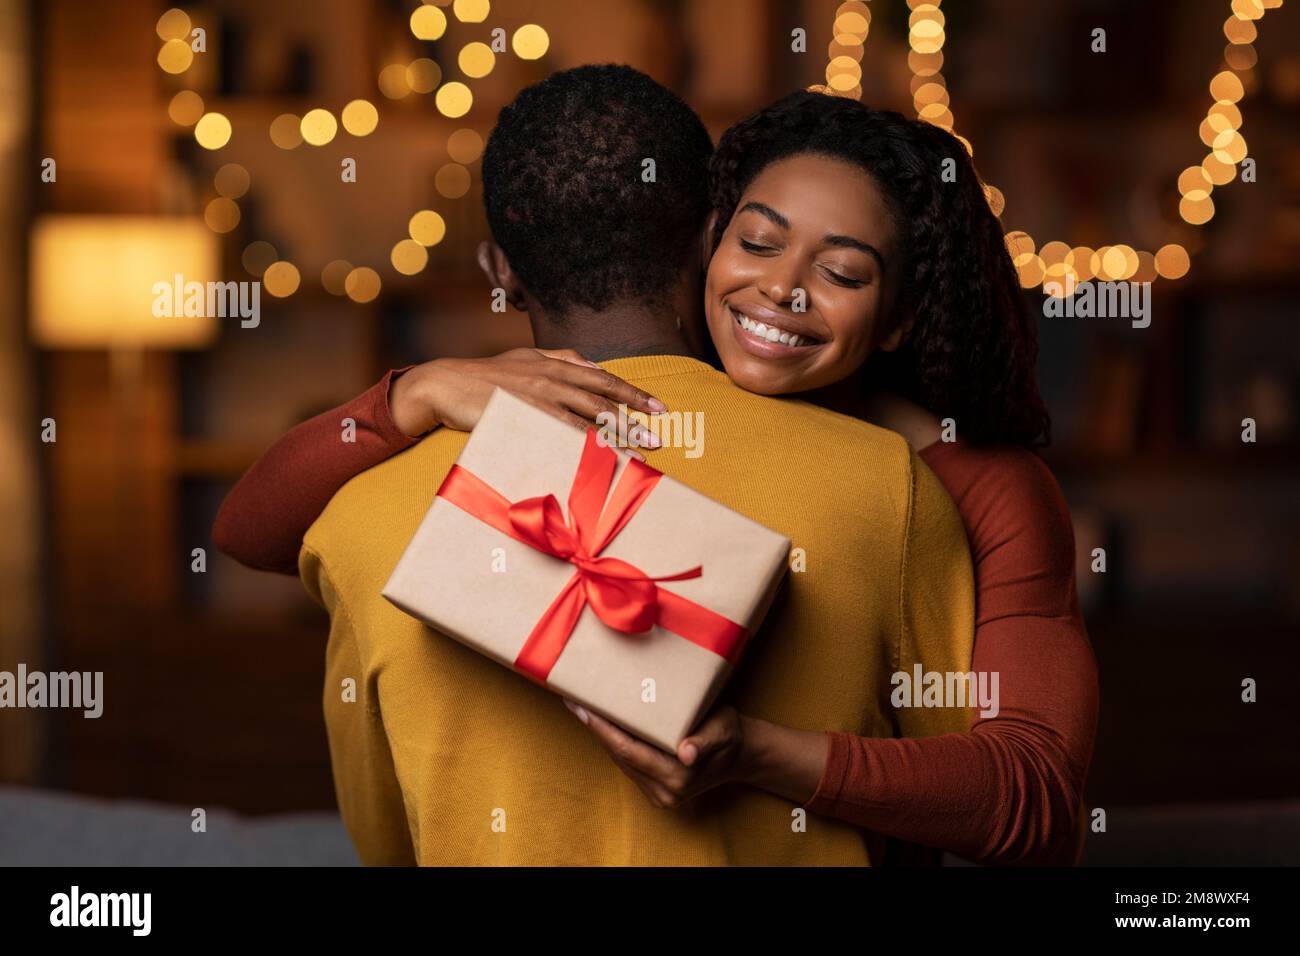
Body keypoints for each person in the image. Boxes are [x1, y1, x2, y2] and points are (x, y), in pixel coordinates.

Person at [216, 74, 1095, 865]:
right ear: (708, 243)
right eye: (759, 243)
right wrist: (416, 390)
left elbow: (1021, 795)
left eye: (840, 271)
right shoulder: (873, 486)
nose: (782, 291)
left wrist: (753, 751)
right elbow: (248, 526)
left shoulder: (949, 485)